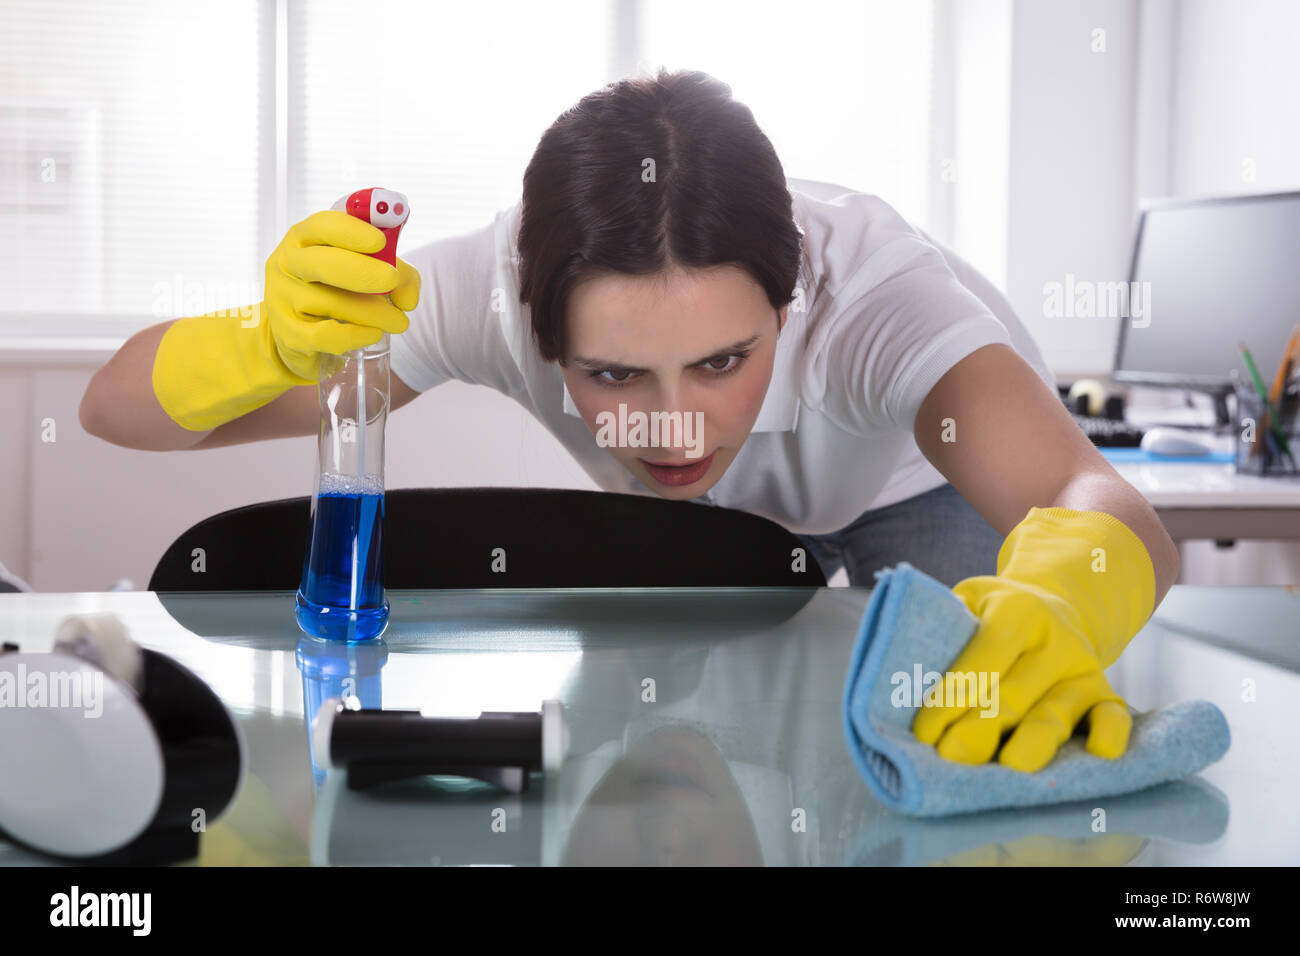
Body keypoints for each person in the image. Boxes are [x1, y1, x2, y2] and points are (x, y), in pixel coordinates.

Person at [83, 68, 1179, 774]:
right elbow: (114, 408)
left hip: (916, 487)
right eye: (611, 373)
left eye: (722, 360)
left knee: (968, 734)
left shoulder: (875, 301)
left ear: (789, 303)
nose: (669, 429)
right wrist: (260, 339)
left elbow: (1100, 498)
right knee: (692, 750)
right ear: (537, 321)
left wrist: (1063, 588)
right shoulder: (478, 289)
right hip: (719, 534)